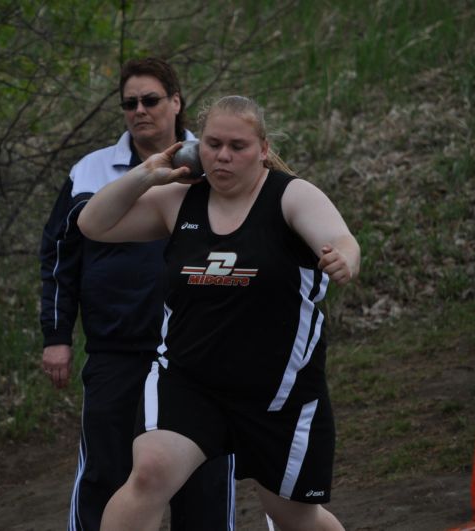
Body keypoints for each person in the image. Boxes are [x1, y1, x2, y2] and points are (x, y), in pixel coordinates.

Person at [77, 95, 360, 531]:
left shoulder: (291, 196)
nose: (223, 156)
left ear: (263, 149)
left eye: (238, 146)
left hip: (276, 392)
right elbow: (93, 225)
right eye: (212, 144)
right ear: (196, 146)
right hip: (190, 381)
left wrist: (343, 258)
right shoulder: (177, 200)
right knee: (149, 474)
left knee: (293, 515)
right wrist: (145, 174)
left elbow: (342, 240)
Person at [38, 58, 235, 531]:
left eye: (150, 100)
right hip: (117, 349)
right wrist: (57, 334)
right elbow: (59, 254)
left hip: (199, 352)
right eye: (130, 103)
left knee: (203, 479)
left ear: (176, 101)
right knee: (107, 474)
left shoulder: (215, 159)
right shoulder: (91, 171)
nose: (140, 111)